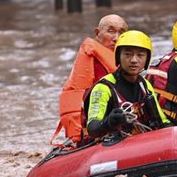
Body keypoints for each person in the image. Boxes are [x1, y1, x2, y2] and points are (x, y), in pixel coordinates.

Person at [53, 14, 128, 144]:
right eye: (110, 31)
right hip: (95, 131)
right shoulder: (93, 62)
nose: (116, 38)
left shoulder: (128, 62)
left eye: (121, 33)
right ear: (97, 33)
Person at [85, 30, 171, 138]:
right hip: (111, 147)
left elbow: (163, 122)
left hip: (140, 143)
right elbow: (92, 129)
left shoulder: (145, 85)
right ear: (118, 57)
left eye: (140, 55)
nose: (134, 60)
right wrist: (109, 122)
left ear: (147, 59)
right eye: (127, 54)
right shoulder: (103, 88)